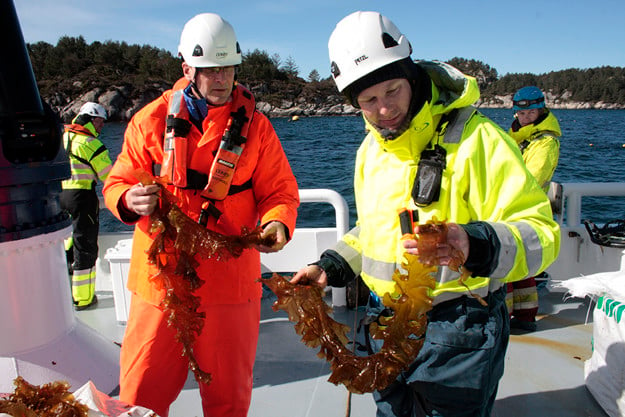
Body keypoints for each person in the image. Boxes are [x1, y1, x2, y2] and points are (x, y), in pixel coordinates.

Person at [291, 11, 560, 417]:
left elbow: (542, 233)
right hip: (386, 326)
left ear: (412, 74)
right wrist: (331, 265)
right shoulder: (371, 150)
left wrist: (475, 242)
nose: (384, 110)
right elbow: (375, 231)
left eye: (393, 90)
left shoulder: (478, 138)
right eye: (368, 101)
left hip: (459, 330)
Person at [102, 13, 299, 417]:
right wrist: (127, 199)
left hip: (231, 286)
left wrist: (278, 221)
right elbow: (116, 181)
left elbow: (280, 191)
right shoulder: (149, 122)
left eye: (227, 67)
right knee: (139, 393)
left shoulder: (258, 129)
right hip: (161, 284)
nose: (221, 78)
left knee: (229, 399)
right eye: (210, 70)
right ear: (187, 68)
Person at [506, 86, 562, 331]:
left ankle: (519, 318)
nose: (525, 117)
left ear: (541, 109)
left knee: (509, 265)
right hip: (512, 206)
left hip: (525, 208)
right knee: (516, 265)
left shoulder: (545, 142)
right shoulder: (520, 137)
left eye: (530, 113)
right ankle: (520, 317)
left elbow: (533, 179)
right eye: (521, 113)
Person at [61, 101, 112, 310]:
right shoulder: (90, 144)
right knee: (86, 247)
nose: (101, 127)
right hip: (83, 198)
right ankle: (83, 298)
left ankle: (64, 294)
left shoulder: (61, 139)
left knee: (66, 244)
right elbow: (110, 177)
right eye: (100, 122)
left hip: (61, 197)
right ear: (91, 120)